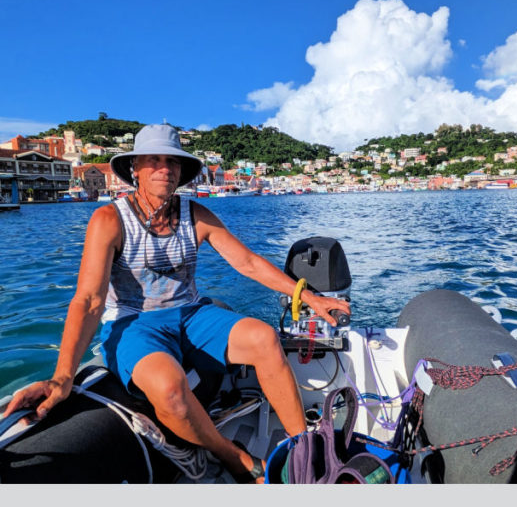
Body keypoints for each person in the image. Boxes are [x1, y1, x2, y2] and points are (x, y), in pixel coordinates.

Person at [2, 124, 349, 483]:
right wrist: (62, 376)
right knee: (168, 388)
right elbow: (89, 300)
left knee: (263, 338)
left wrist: (307, 296)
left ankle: (304, 450)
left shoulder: (194, 214)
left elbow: (246, 262)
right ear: (134, 169)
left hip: (192, 313)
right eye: (153, 160)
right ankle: (230, 456)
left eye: (172, 161)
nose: (163, 168)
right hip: (133, 322)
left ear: (182, 172)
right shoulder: (109, 220)